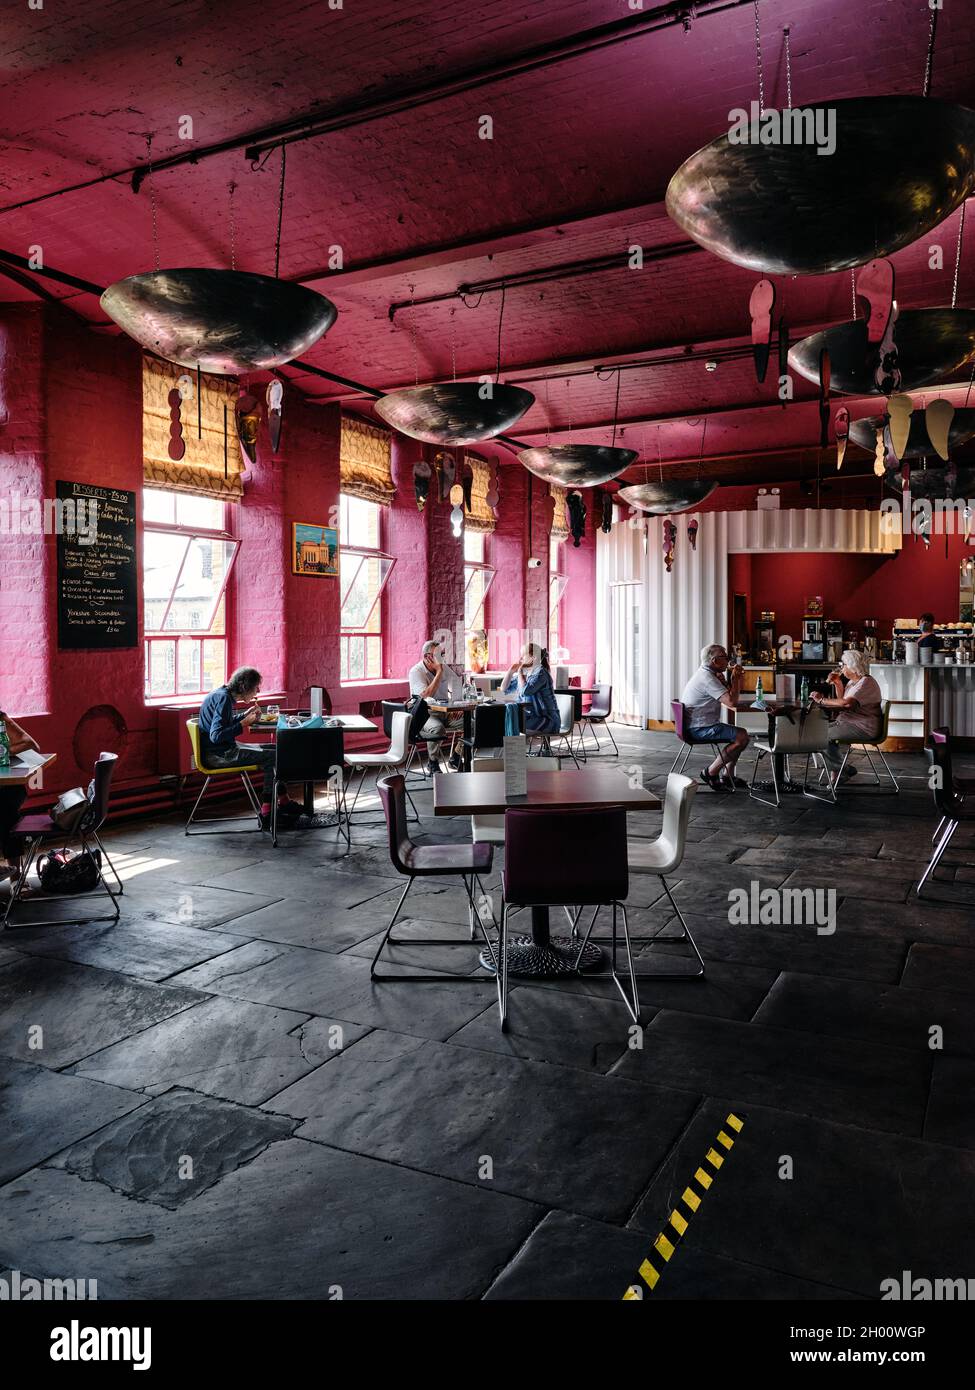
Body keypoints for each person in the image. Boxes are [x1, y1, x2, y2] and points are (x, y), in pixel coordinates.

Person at [198, 667, 302, 829]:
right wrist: (243, 724)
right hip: (221, 755)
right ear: (244, 687)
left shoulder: (220, 694)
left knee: (277, 750)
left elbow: (223, 722)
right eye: (256, 687)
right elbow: (216, 736)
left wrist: (244, 715)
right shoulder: (225, 700)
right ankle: (267, 811)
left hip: (220, 750)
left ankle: (284, 802)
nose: (258, 691)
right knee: (273, 757)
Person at [679, 643, 750, 791]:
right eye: (725, 657)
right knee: (741, 737)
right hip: (699, 728)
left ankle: (727, 775)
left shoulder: (707, 674)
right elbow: (731, 701)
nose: (729, 660)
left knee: (739, 734)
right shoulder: (708, 679)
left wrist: (727, 682)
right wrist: (736, 679)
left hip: (696, 725)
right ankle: (711, 772)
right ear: (714, 661)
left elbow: (728, 696)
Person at [810, 648, 882, 783]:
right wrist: (838, 683)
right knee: (814, 732)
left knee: (820, 735)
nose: (841, 668)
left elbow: (847, 704)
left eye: (844, 665)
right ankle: (842, 769)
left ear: (853, 667)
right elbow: (842, 700)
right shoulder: (853, 682)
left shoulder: (866, 682)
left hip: (863, 727)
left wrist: (822, 700)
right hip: (849, 723)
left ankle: (840, 770)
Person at [408, 640, 464, 772]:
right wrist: (439, 673)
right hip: (425, 714)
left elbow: (456, 684)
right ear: (428, 657)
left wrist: (458, 706)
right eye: (439, 655)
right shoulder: (416, 672)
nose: (442, 658)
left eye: (442, 654)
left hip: (445, 713)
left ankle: (456, 756)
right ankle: (432, 762)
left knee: (472, 724)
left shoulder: (444, 667)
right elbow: (425, 697)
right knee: (437, 729)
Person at [0, 709, 39, 882]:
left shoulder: (0, 719)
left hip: (9, 788)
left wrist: (4, 751)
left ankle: (16, 878)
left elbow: (30, 744)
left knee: (5, 809)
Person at [501, 643, 561, 748]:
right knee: (507, 720)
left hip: (548, 720)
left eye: (523, 655)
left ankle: (514, 758)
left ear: (533, 658)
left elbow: (525, 691)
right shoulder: (527, 673)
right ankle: (511, 758)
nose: (520, 659)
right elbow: (504, 689)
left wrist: (519, 671)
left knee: (510, 722)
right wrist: (510, 671)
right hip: (532, 718)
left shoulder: (541, 674)